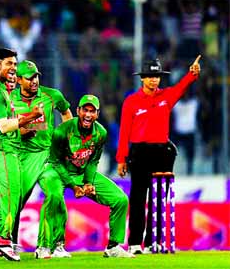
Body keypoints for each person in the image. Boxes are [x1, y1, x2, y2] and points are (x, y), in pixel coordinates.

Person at [116, 56, 201, 254]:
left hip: (162, 153)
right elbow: (124, 132)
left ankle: (155, 243)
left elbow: (181, 87)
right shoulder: (131, 102)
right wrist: (121, 159)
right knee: (137, 199)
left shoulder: (167, 96)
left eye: (157, 76)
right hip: (139, 153)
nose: (154, 80)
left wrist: (192, 73)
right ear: (142, 79)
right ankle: (135, 244)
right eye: (150, 76)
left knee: (159, 200)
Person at [36, 94, 134, 259]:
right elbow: (55, 162)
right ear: (78, 111)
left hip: (81, 172)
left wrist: (88, 183)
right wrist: (74, 186)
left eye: (92, 111)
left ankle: (113, 246)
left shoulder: (101, 133)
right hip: (55, 171)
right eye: (85, 110)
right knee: (54, 196)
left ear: (97, 113)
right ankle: (46, 246)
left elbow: (93, 161)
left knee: (120, 199)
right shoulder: (62, 131)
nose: (88, 115)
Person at [0, 48, 43, 261]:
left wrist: (24, 128)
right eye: (9, 63)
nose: (13, 68)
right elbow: (4, 126)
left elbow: (10, 124)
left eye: (15, 64)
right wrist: (32, 116)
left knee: (13, 197)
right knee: (9, 196)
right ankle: (2, 238)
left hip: (10, 149)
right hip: (1, 149)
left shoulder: (1, 89)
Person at [10, 60, 73, 254]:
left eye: (36, 76)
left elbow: (66, 112)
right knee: (14, 202)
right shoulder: (8, 98)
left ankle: (51, 245)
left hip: (47, 155)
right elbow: (2, 126)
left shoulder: (51, 95)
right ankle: (7, 243)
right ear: (19, 80)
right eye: (29, 78)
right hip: (21, 156)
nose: (35, 80)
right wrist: (21, 131)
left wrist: (66, 139)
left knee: (55, 194)